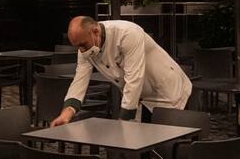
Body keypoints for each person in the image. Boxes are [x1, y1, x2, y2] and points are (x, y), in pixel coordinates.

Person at [51, 15, 192, 125]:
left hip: (167, 92)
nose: (81, 50)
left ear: (95, 31)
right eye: (77, 47)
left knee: (170, 151)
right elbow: (79, 80)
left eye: (83, 45)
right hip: (141, 99)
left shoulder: (127, 33)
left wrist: (124, 120)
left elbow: (134, 77)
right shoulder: (86, 48)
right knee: (145, 151)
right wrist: (67, 113)